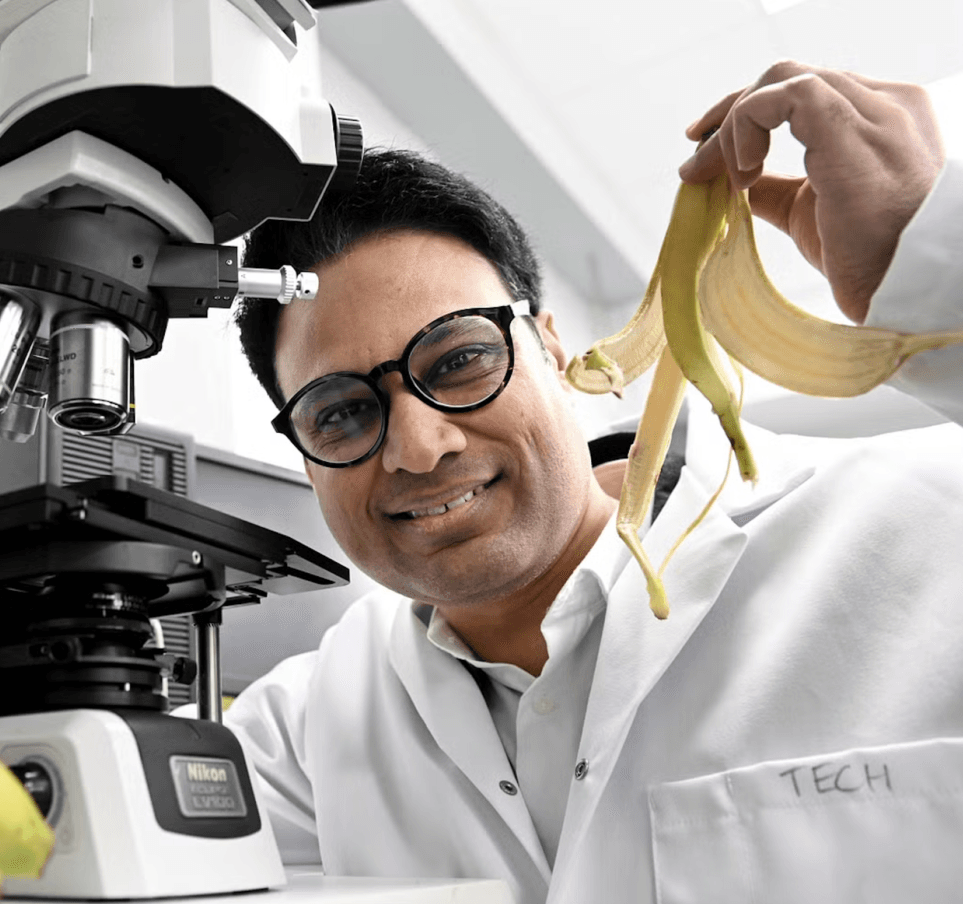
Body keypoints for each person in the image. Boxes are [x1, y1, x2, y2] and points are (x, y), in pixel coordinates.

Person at [224, 60, 963, 903]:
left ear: (552, 349)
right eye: (341, 413)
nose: (419, 449)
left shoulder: (919, 525)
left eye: (460, 360)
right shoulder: (303, 732)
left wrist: (941, 273)